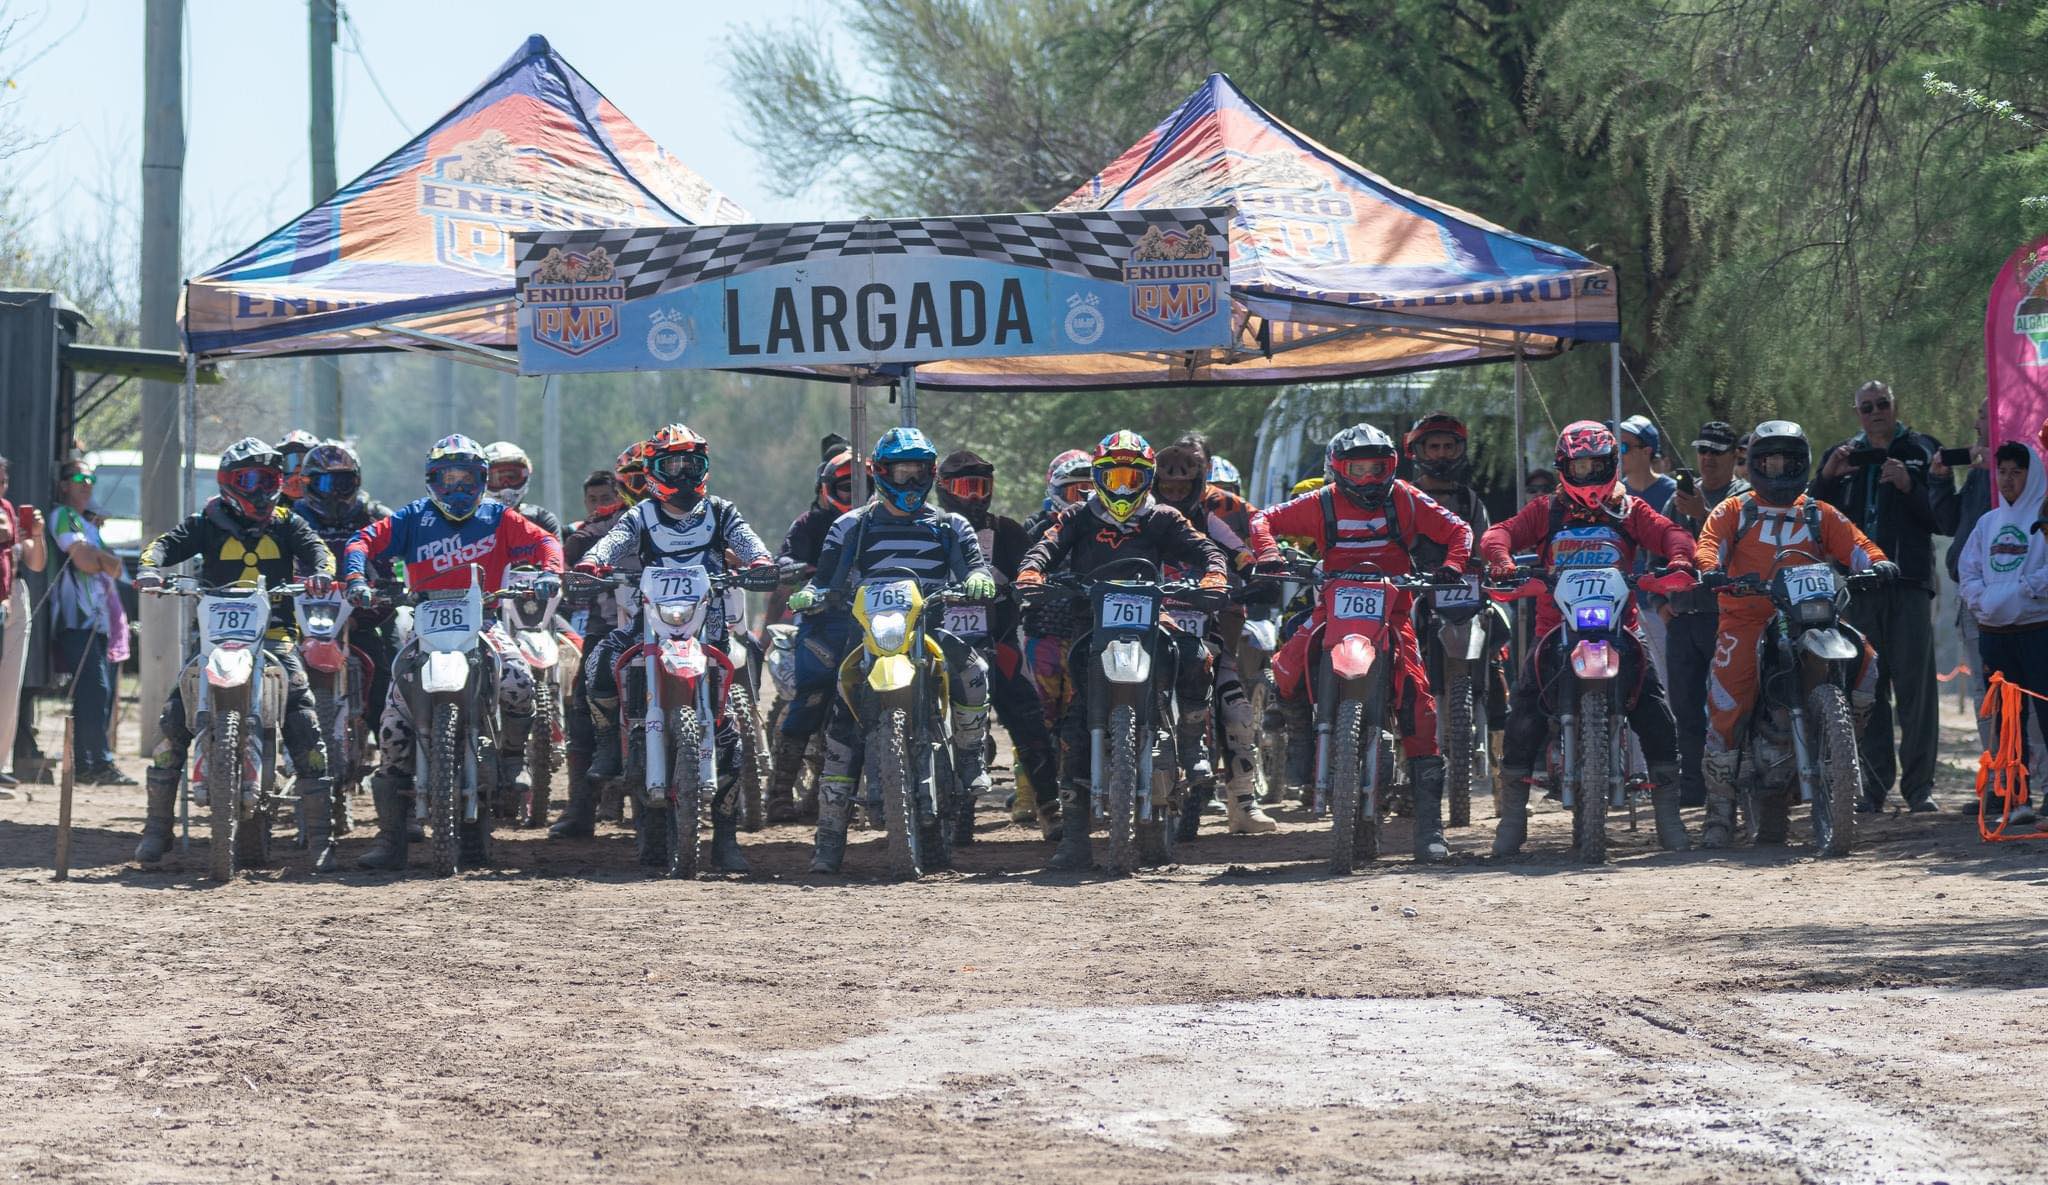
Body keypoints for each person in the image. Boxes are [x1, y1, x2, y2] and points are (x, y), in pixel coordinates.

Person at [1252, 423, 1473, 861]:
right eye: (1359, 469)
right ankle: (1300, 741)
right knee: (1286, 667)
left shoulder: (1406, 497)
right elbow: (1263, 519)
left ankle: (1430, 829)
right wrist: (1269, 553)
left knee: (1420, 704)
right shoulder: (1321, 502)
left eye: (1378, 467)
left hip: (1393, 613)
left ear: (1393, 466)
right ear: (1339, 468)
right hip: (1331, 608)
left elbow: (1459, 530)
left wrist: (1453, 564)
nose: (1370, 477)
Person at [344, 435, 563, 871]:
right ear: (432, 480)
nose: (458, 489)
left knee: (520, 683)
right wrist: (356, 579)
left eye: (468, 480)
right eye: (449, 479)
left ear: (483, 480)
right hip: (424, 624)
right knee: (392, 726)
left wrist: (549, 573)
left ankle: (513, 758)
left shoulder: (499, 517)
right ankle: (391, 839)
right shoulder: (413, 517)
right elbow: (360, 541)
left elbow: (546, 543)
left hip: (483, 620)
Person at [1478, 420, 1697, 855]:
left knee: (1654, 708)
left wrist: (1678, 559)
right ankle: (1513, 818)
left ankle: (1668, 815)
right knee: (1525, 709)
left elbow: (1672, 533)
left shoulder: (1629, 509)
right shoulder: (1546, 510)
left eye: (1597, 465)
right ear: (1564, 467)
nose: (1589, 474)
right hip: (1554, 629)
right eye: (1580, 467)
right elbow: (1498, 533)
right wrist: (1501, 559)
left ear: (1612, 464)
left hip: (1621, 627)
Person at [1016, 430, 1229, 870]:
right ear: (1098, 477)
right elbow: (1045, 546)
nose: (1123, 487)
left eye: (1133, 478)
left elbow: (1206, 548)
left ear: (1147, 478)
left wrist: (1213, 575)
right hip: (1091, 624)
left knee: (1196, 656)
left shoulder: (1162, 517)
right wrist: (1032, 572)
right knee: (1075, 728)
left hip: (1152, 616)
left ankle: (1192, 745)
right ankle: (1074, 838)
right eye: (1114, 477)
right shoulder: (1078, 515)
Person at [789, 428, 998, 873]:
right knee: (841, 727)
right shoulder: (851, 525)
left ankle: (969, 756)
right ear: (882, 474)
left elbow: (973, 566)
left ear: (932, 474)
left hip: (929, 631)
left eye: (918, 473)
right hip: (867, 638)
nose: (910, 482)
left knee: (975, 671)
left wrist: (978, 580)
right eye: (902, 473)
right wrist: (813, 593)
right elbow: (826, 577)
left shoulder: (950, 525)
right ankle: (829, 839)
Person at [569, 424, 773, 870]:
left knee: (731, 727)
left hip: (709, 626)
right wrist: (592, 562)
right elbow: (613, 542)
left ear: (704, 468)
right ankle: (608, 743)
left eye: (690, 465)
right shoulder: (641, 514)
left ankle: (725, 838)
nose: (682, 475)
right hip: (651, 624)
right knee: (600, 661)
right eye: (672, 466)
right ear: (654, 471)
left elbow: (746, 539)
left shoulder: (721, 511)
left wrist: (759, 560)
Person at [135, 439, 339, 867]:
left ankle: (322, 836)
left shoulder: (287, 523)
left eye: (268, 479)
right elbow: (163, 545)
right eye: (249, 479)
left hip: (275, 636)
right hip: (214, 639)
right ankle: (157, 828)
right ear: (228, 482)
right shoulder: (205, 522)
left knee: (303, 717)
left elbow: (319, 551)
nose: (260, 489)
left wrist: (321, 573)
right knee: (173, 718)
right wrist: (150, 569)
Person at [1694, 421, 1889, 846]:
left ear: (1802, 464)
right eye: (1770, 462)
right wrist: (1710, 569)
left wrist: (1877, 564)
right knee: (1729, 693)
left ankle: (1841, 745)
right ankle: (1720, 810)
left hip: (1811, 617)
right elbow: (1709, 545)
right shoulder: (1734, 510)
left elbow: (1858, 544)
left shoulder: (1818, 513)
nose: (1779, 470)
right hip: (1748, 617)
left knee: (1868, 661)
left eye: (1788, 462)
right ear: (1754, 465)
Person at [1810, 380, 1955, 812]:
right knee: (1865, 690)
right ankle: (1872, 789)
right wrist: (1827, 477)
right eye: (1867, 406)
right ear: (1857, 413)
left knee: (1916, 691)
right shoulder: (1843, 455)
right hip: (1858, 590)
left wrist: (1911, 485)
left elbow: (1943, 519)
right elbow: (1812, 520)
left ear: (1895, 405)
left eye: (1883, 404)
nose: (1876, 412)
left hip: (1908, 585)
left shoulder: (1922, 449)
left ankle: (1919, 789)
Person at [932, 449, 1060, 843]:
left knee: (1028, 718)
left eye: (981, 487)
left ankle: (1050, 805)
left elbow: (1034, 570)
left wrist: (1033, 587)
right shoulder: (928, 528)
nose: (974, 496)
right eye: (964, 487)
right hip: (936, 646)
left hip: (997, 643)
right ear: (944, 489)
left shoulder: (1007, 531)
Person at [1152, 435, 1278, 836]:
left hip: (1212, 623)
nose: (1175, 495)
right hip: (1154, 625)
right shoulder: (1141, 517)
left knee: (1236, 710)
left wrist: (1261, 569)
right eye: (1167, 487)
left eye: (1183, 488)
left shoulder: (1215, 516)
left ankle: (1243, 801)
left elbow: (1244, 547)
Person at [757, 447, 857, 825]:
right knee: (814, 691)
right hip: (823, 622)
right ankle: (780, 792)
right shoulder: (809, 524)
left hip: (878, 621)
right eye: (848, 487)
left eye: (865, 487)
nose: (857, 495)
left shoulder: (883, 521)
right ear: (827, 488)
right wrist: (795, 569)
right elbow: (785, 559)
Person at [549, 446, 644, 839]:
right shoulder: (596, 528)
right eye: (636, 481)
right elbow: (570, 555)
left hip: (671, 626)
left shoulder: (681, 519)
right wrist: (569, 569)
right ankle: (580, 808)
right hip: (607, 626)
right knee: (582, 700)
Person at [1958, 440, 2048, 822]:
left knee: (2045, 715)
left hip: (2037, 632)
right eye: (2003, 472)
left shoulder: (2043, 519)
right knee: (2008, 720)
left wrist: (2021, 591)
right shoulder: (1988, 523)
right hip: (1995, 636)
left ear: (2032, 475)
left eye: (2017, 472)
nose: (2008, 480)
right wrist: (1982, 599)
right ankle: (2017, 799)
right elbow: (1968, 570)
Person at [1661, 421, 1751, 807]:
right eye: (1703, 450)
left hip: (1726, 617)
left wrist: (1703, 514)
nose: (1708, 458)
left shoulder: (1743, 497)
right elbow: (1656, 548)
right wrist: (1660, 604)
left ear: (1735, 456)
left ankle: (1736, 787)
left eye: (1717, 451)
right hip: (1683, 619)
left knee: (1730, 707)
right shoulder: (1677, 500)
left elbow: (1743, 548)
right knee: (1685, 709)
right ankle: (1694, 790)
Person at [294, 442, 398, 767]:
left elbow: (397, 565)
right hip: (303, 615)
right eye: (324, 483)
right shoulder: (293, 518)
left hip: (363, 614)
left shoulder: (376, 517)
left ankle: (394, 759)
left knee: (391, 668)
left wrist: (387, 587)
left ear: (356, 482)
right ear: (307, 484)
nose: (334, 493)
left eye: (342, 483)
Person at [1017, 448, 1093, 836]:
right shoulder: (1036, 526)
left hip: (1084, 633)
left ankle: (1076, 794)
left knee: (1079, 716)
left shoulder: (1098, 527)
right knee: (1039, 715)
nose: (1084, 497)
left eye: (1090, 490)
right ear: (1056, 490)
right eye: (1076, 491)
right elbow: (1020, 566)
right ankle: (1029, 794)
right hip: (1043, 633)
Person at [47, 459, 133, 786]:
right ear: (64, 484)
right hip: (76, 619)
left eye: (91, 479)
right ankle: (95, 763)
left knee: (100, 693)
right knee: (94, 690)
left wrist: (100, 559)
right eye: (79, 478)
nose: (87, 484)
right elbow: (84, 560)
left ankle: (91, 763)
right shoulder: (63, 516)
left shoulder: (88, 525)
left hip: (101, 622)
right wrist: (99, 559)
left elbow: (116, 568)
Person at [0, 456, 47, 793]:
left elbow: (36, 562)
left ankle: (1, 762)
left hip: (14, 594)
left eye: (3, 480)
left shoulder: (8, 512)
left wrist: (38, 535)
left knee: (9, 685)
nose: (0, 487)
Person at [483, 441, 565, 538]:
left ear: (526, 475)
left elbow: (554, 547)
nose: (506, 486)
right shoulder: (472, 521)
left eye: (512, 477)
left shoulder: (540, 519)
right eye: (497, 479)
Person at [572, 469, 622, 533]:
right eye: (593, 500)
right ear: (585, 503)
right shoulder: (575, 532)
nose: (599, 506)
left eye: (606, 499)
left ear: (619, 500)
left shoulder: (630, 529)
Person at [276, 430, 321, 503]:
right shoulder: (267, 505)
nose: (297, 477)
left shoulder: (329, 503)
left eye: (304, 467)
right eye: (289, 465)